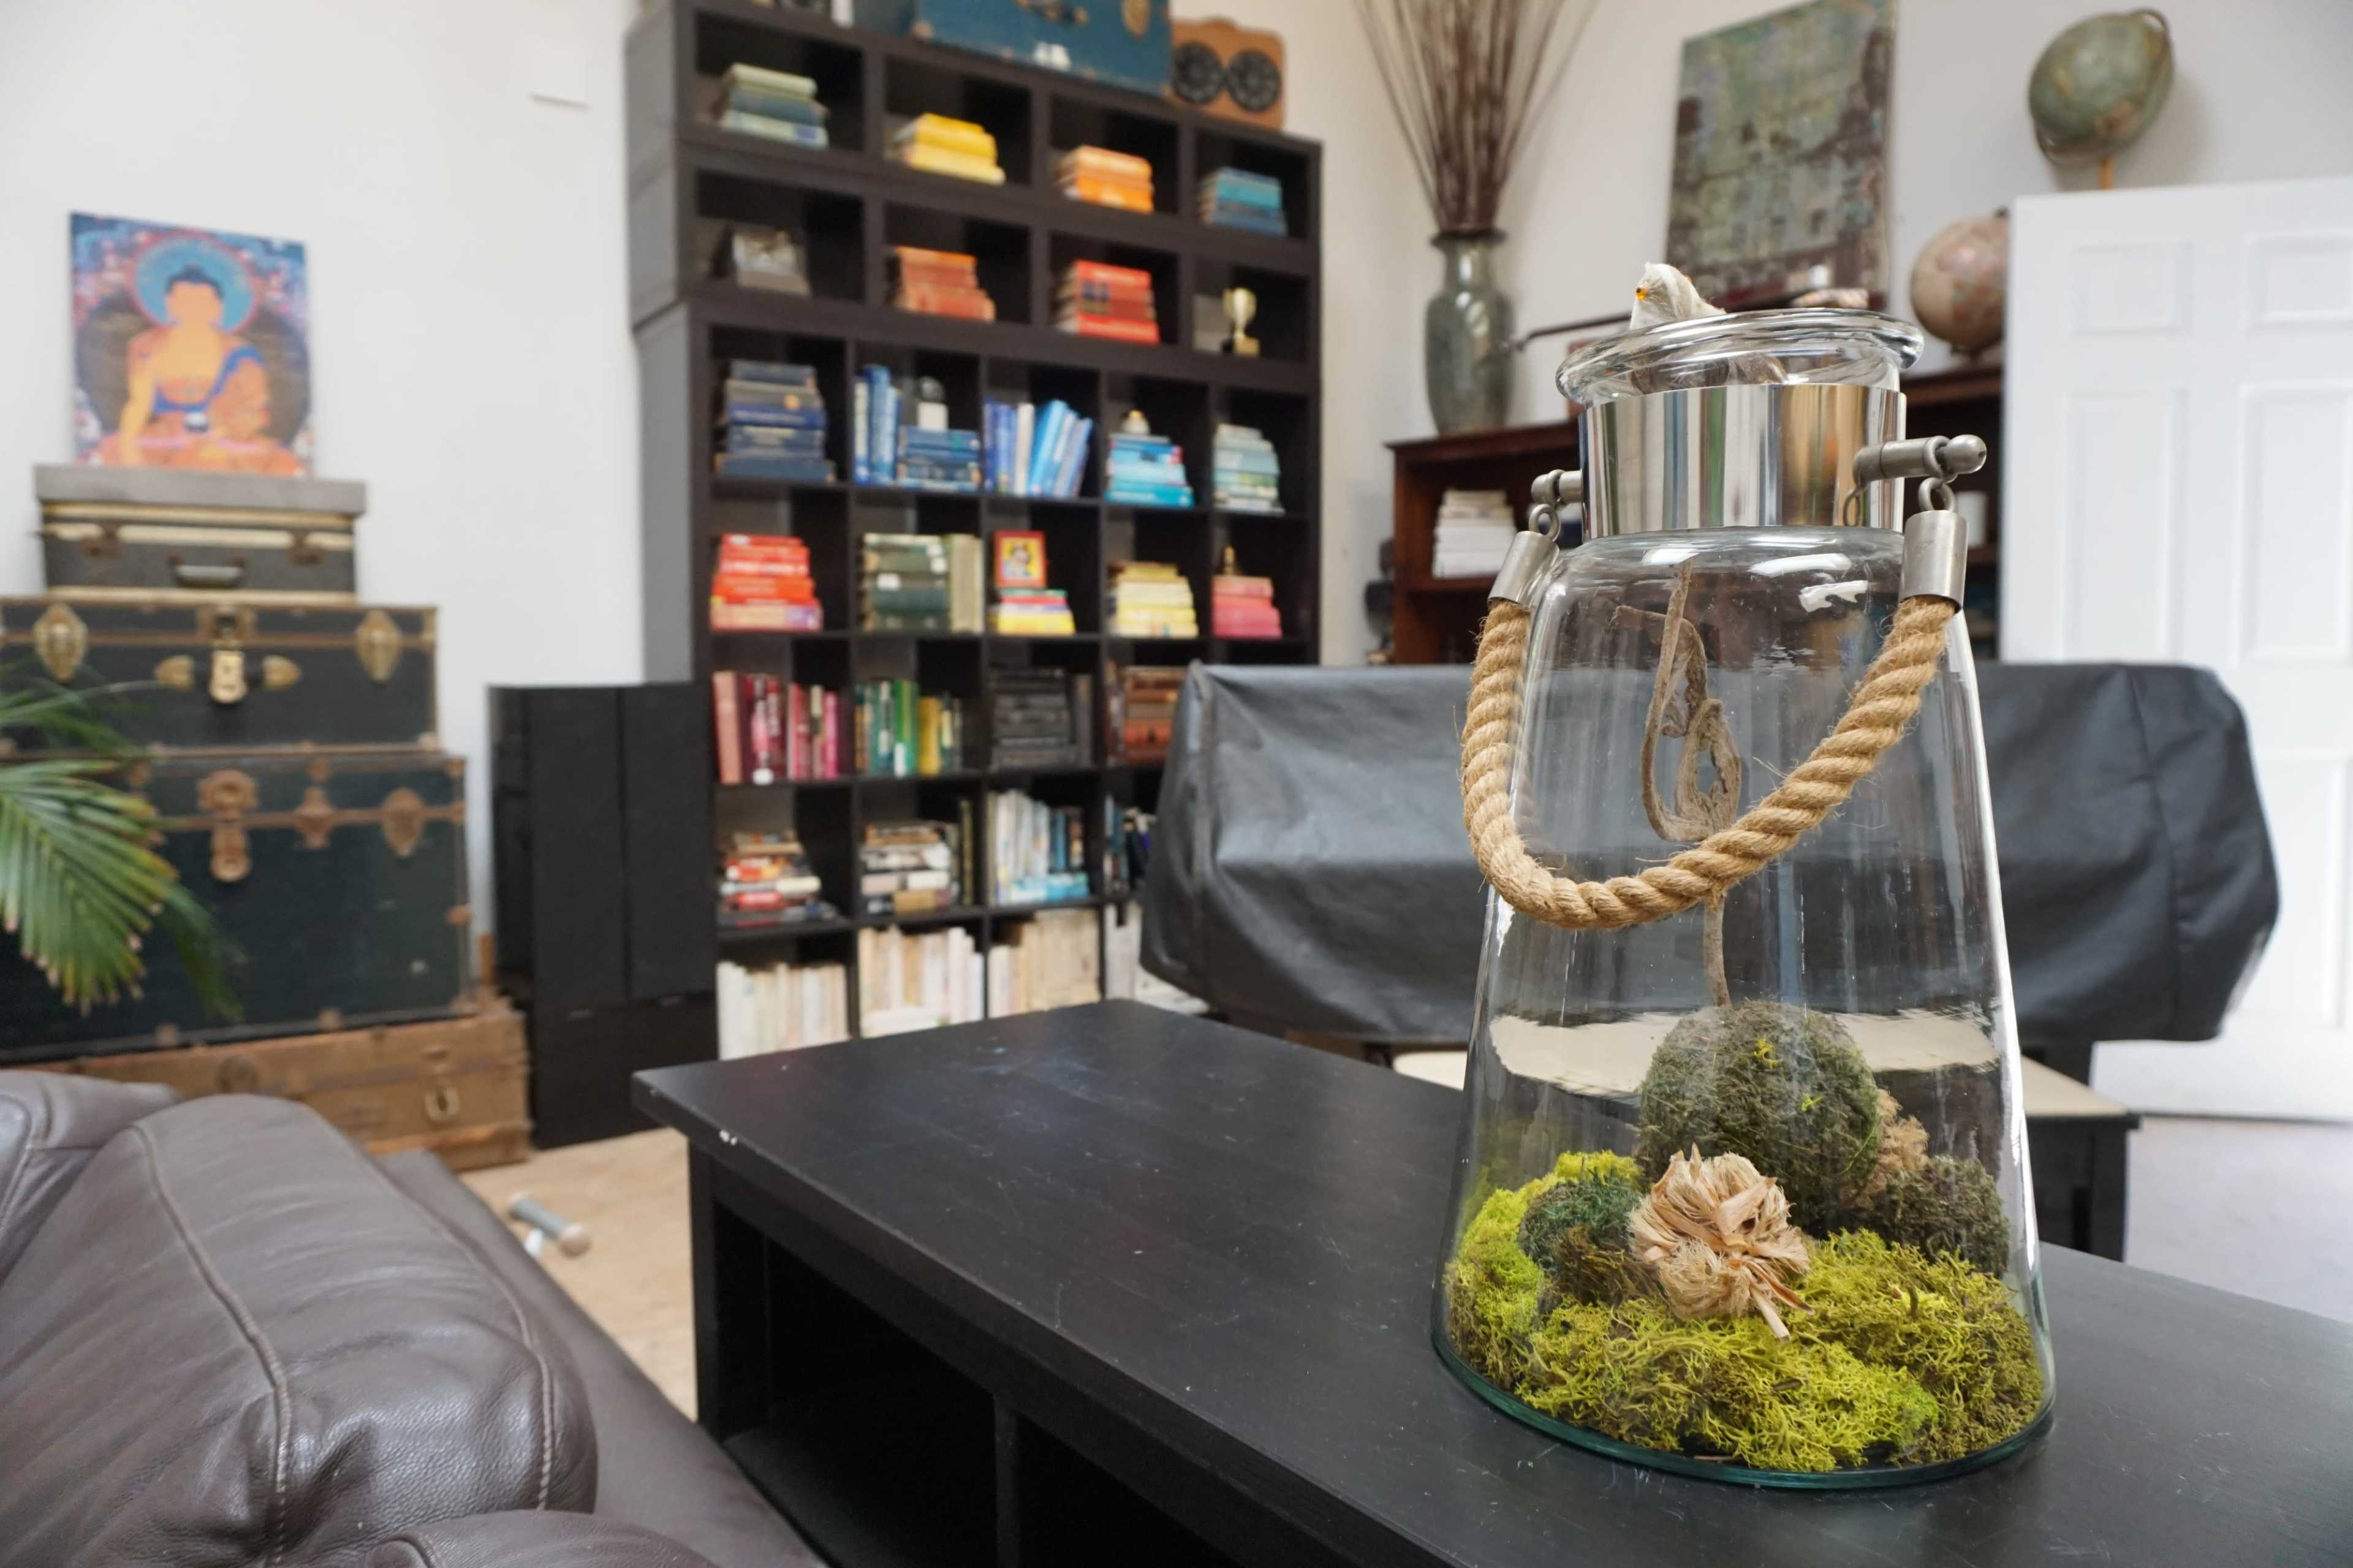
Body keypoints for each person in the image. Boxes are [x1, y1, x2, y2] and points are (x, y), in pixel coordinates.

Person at [100, 263, 301, 474]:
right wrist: (130, 448)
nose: (193, 310)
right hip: (167, 438)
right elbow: (138, 403)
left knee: (278, 458)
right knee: (114, 449)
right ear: (170, 304)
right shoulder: (147, 346)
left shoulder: (240, 353)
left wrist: (221, 432)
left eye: (202, 302)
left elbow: (254, 409)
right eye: (185, 301)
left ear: (217, 307)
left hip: (225, 437)